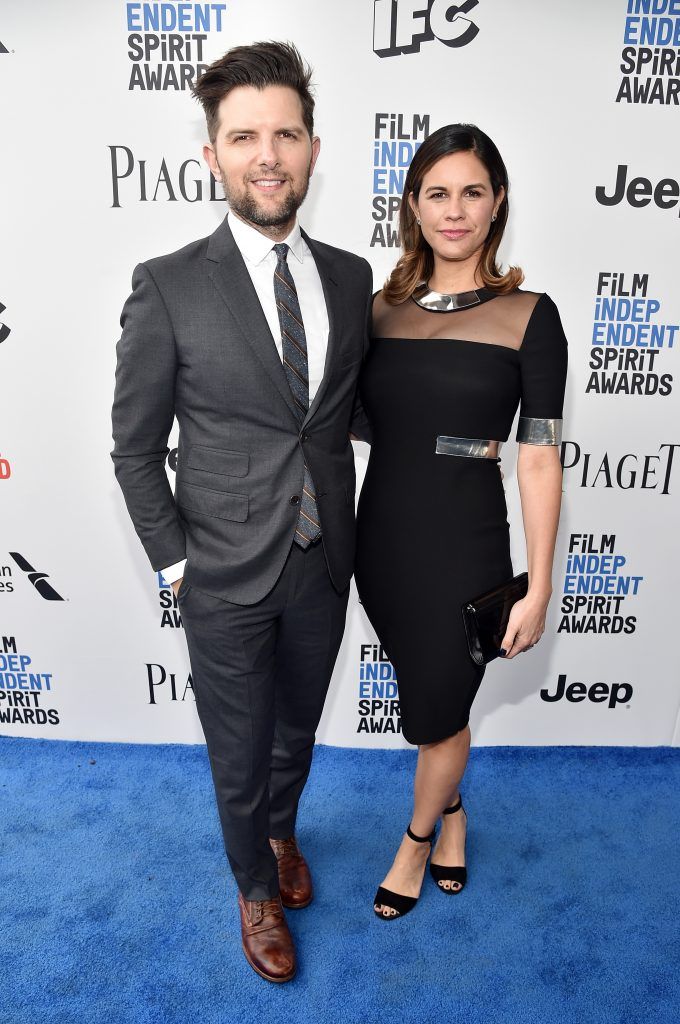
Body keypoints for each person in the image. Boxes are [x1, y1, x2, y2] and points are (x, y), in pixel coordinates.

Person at [111, 41, 372, 981]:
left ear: (312, 147)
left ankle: (282, 834)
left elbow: (349, 410)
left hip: (321, 554)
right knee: (238, 746)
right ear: (215, 155)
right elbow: (134, 448)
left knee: (298, 726)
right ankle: (253, 886)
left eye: (286, 134)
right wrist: (178, 566)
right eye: (245, 136)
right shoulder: (168, 283)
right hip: (219, 569)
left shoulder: (349, 278)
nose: (269, 154)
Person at [354, 124, 567, 920]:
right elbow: (349, 423)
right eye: (437, 192)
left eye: (472, 192)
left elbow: (539, 459)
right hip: (380, 543)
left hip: (468, 544)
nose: (455, 210)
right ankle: (454, 815)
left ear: (497, 202)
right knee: (433, 706)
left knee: (439, 710)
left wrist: (540, 585)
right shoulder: (378, 310)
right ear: (412, 204)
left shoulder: (529, 316)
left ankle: (416, 839)